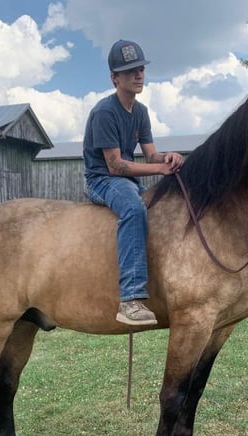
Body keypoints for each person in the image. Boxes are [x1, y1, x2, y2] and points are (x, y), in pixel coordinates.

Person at [83, 39, 184, 327]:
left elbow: (151, 153)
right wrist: (159, 171)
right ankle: (130, 299)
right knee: (134, 209)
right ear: (115, 78)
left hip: (124, 178)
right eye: (129, 71)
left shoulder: (140, 112)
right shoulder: (105, 112)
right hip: (102, 179)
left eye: (140, 69)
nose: (138, 75)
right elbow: (115, 165)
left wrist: (169, 158)